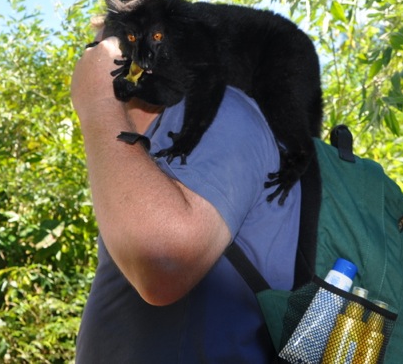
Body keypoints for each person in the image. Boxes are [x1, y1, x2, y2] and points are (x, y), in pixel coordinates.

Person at [71, 34, 303, 362]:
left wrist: (98, 98)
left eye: (102, 49)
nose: (94, 60)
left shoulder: (220, 109)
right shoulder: (145, 152)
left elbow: (163, 261)